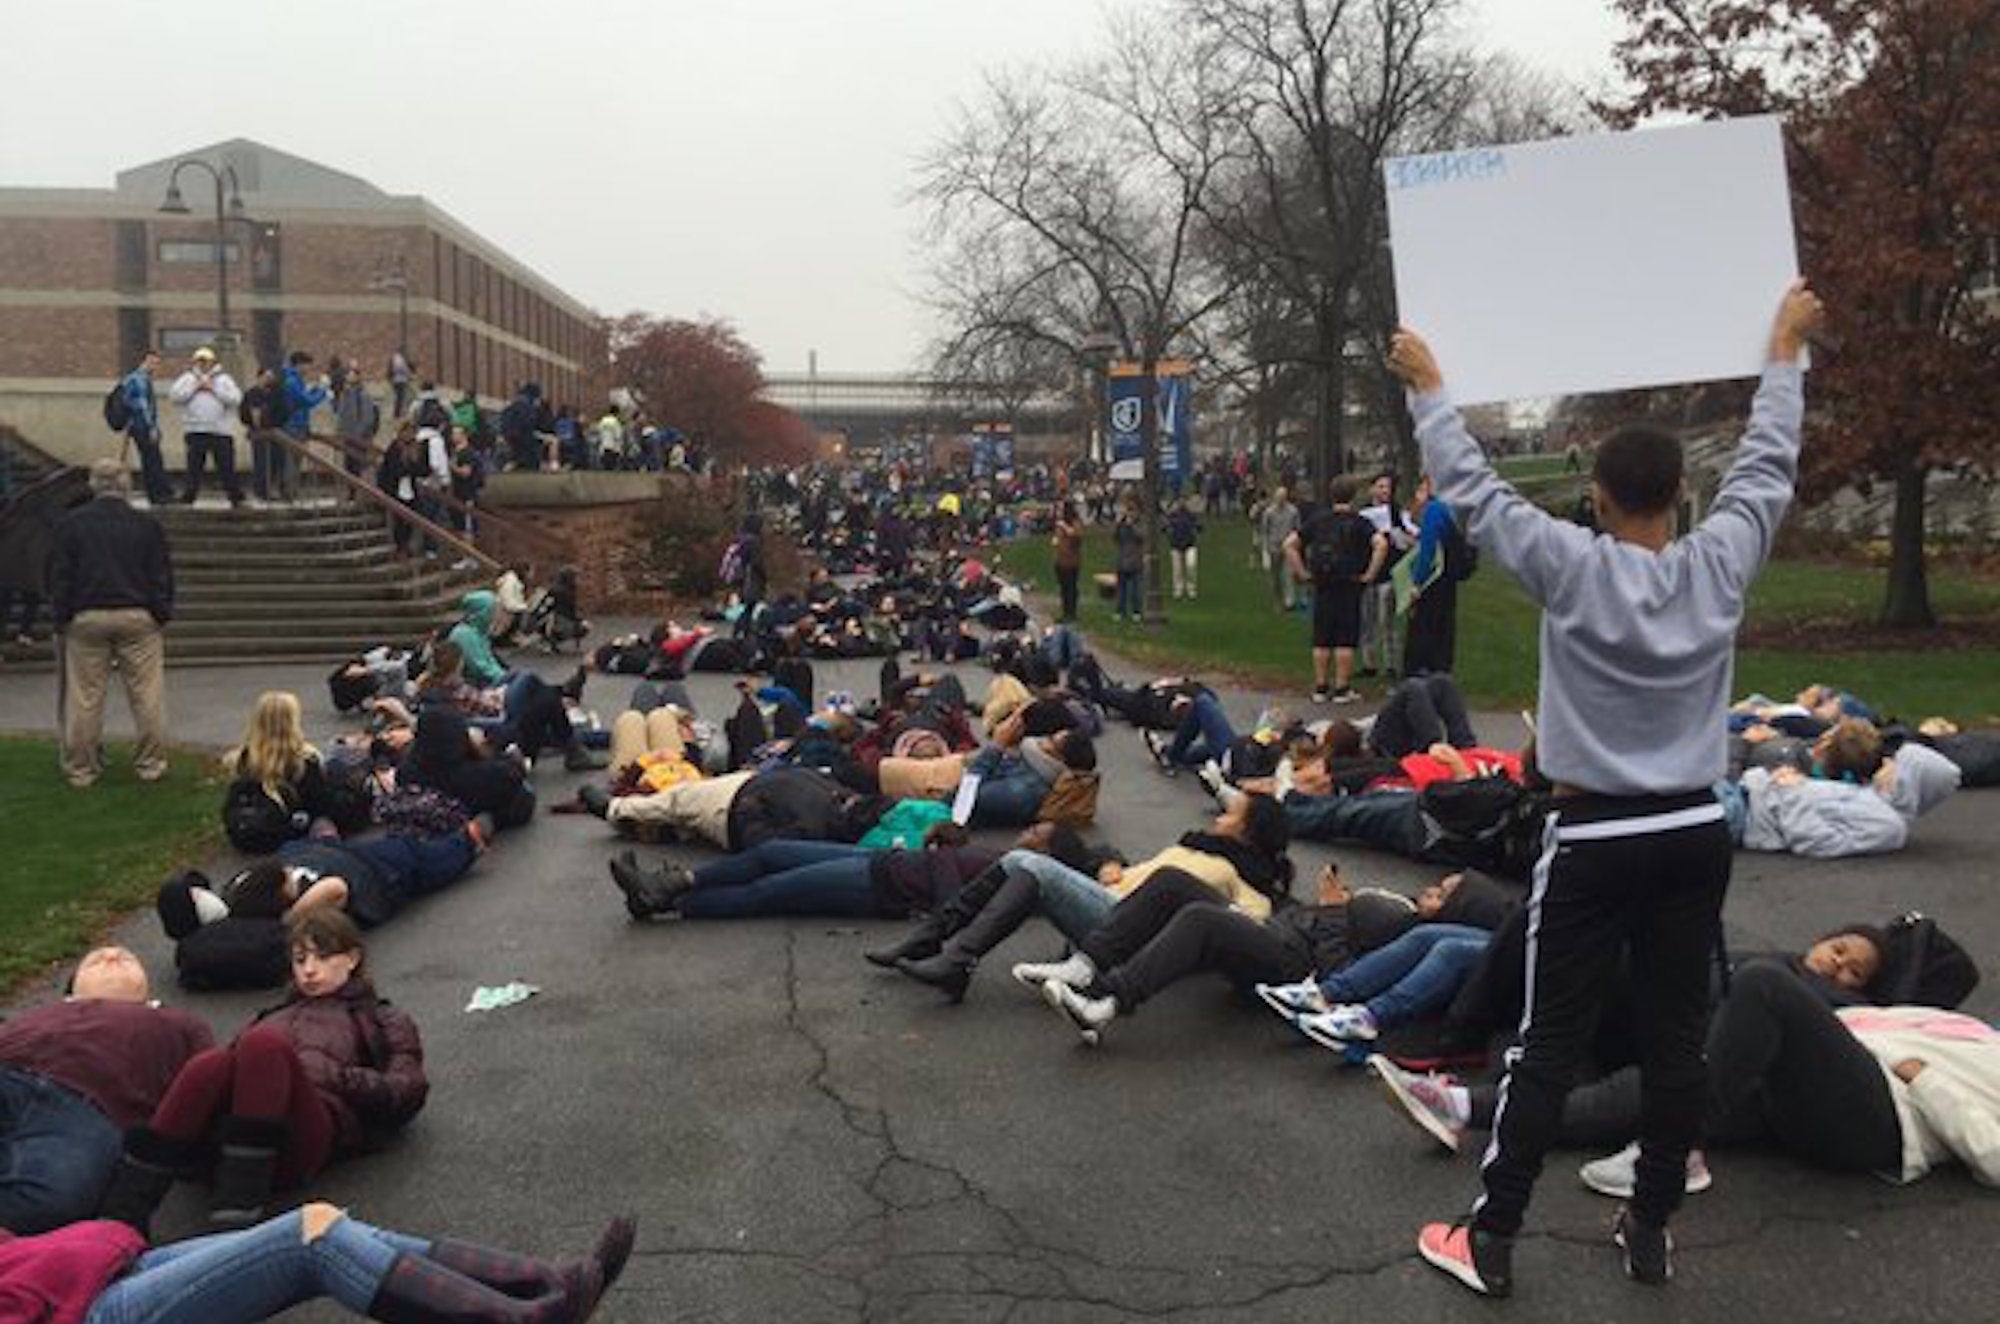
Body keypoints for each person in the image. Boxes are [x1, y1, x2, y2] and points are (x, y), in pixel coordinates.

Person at [1387, 280, 1825, 1294]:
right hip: (1691, 828)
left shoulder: (1571, 565)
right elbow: (1767, 463)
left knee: (1548, 1039)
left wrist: (1429, 389)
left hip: (1593, 836)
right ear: (1679, 495)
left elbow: (1472, 488)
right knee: (1676, 1042)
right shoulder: (1718, 563)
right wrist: (1784, 355)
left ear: (1596, 495)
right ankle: (1650, 1223)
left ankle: (1491, 1235)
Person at [101, 910, 426, 1232]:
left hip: (308, 1132)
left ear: (352, 958)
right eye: (300, 960)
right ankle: (123, 1214)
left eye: (323, 957)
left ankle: (236, 1211)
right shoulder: (274, 1014)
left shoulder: (382, 1018)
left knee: (262, 1045)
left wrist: (334, 1075)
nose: (309, 970)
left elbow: (407, 1089)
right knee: (213, 1062)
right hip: (235, 1134)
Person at [2, 1201, 634, 1324]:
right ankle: (526, 1318)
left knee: (338, 1226)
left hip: (98, 1265)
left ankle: (544, 1282)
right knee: (313, 1237)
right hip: (80, 1308)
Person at [0, 948, 212, 1235]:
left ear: (148, 996)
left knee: (52, 1201)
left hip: (89, 1107)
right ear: (72, 991)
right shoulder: (36, 1017)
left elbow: (206, 1079)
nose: (111, 956)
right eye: (95, 960)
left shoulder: (178, 1022)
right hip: (9, 1075)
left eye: (125, 959)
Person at [48, 459, 175, 789]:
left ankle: (81, 768)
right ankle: (150, 764)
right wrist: (161, 612)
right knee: (147, 694)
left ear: (93, 485)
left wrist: (62, 617)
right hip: (137, 613)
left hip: (87, 614)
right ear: (126, 485)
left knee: (85, 696)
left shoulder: (71, 524)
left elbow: (60, 575)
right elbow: (161, 573)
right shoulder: (146, 525)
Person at [1285, 475, 1386, 704]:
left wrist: (1302, 572)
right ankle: (1342, 687)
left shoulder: (1318, 521)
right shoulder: (1360, 522)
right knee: (1345, 638)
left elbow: (1289, 544)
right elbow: (1381, 544)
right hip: (1349, 582)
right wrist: (1370, 573)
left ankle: (1321, 686)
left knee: (1322, 636)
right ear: (1353, 495)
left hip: (1322, 582)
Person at [1403, 474, 1472, 678]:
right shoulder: (1453, 508)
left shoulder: (1434, 510)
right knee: (1444, 625)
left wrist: (1417, 582)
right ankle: (1442, 671)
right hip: (1449, 577)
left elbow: (1428, 549)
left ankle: (1421, 672)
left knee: (1424, 626)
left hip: (1434, 579)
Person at [168, 347, 244, 507]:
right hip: (195, 430)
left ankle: (235, 497)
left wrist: (213, 389)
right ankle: (189, 497)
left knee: (226, 467)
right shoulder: (188, 378)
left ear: (213, 362)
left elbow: (236, 398)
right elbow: (175, 396)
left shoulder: (224, 379)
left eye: (206, 361)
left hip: (221, 431)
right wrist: (195, 387)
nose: (203, 364)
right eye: (200, 361)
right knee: (193, 467)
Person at [1357, 472, 1415, 677]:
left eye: (1387, 487)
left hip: (1389, 574)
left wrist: (1399, 535)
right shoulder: (1363, 515)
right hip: (1368, 572)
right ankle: (1369, 663)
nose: (1384, 491)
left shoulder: (1398, 514)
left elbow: (1410, 539)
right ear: (1372, 489)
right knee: (1367, 620)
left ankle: (1391, 664)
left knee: (1387, 621)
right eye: (1380, 486)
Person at [118, 350, 173, 506]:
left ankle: (157, 493)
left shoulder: (132, 379)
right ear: (143, 361)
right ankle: (159, 494)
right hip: (142, 426)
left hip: (137, 425)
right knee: (153, 459)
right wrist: (152, 427)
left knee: (150, 459)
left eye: (156, 363)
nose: (154, 366)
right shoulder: (139, 379)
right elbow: (143, 407)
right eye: (152, 362)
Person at [276, 351, 327, 503]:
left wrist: (316, 389)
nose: (309, 369)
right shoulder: (291, 381)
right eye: (307, 365)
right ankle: (289, 492)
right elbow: (305, 401)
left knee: (295, 461)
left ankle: (291, 491)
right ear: (299, 365)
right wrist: (322, 391)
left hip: (299, 425)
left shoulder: (296, 380)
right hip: (293, 426)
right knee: (291, 461)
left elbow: (304, 398)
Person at [238, 367, 289, 504]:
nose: (269, 380)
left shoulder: (277, 393)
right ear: (259, 377)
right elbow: (243, 413)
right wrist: (252, 419)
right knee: (261, 462)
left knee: (276, 461)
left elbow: (284, 411)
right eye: (266, 377)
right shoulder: (251, 394)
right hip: (258, 434)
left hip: (275, 433)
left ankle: (272, 488)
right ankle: (260, 491)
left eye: (271, 377)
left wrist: (273, 422)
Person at [1258, 485, 1300, 611]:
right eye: (1279, 497)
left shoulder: (1293, 511)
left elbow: (1297, 529)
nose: (1281, 499)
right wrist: (1265, 548)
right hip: (1273, 546)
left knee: (1288, 574)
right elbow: (1264, 530)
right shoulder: (1269, 512)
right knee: (1275, 575)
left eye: (1283, 497)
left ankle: (1289, 601)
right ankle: (1278, 599)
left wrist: (1295, 545)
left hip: (1288, 546)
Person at [1051, 500, 1083, 623]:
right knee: (1063, 588)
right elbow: (1058, 538)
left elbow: (1077, 536)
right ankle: (1065, 612)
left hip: (1071, 561)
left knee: (1071, 588)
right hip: (1060, 560)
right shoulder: (1059, 525)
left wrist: (1064, 526)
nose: (1058, 512)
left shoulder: (1075, 523)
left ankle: (1072, 613)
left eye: (1060, 509)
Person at [1112, 502, 1143, 622]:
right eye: (1128, 511)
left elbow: (1141, 537)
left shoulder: (1139, 524)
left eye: (1132, 511)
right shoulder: (1121, 525)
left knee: (1136, 590)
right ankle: (1120, 611)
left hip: (1136, 561)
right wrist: (1118, 524)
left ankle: (1136, 611)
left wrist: (1132, 526)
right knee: (1121, 590)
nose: (1129, 514)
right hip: (1122, 560)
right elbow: (1115, 538)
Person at [1166, 499, 1201, 600]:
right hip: (1176, 545)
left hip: (1190, 544)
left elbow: (1199, 526)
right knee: (1177, 569)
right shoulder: (1172, 516)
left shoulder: (1191, 516)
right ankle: (1178, 589)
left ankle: (1191, 588)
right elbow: (1164, 527)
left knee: (1191, 566)